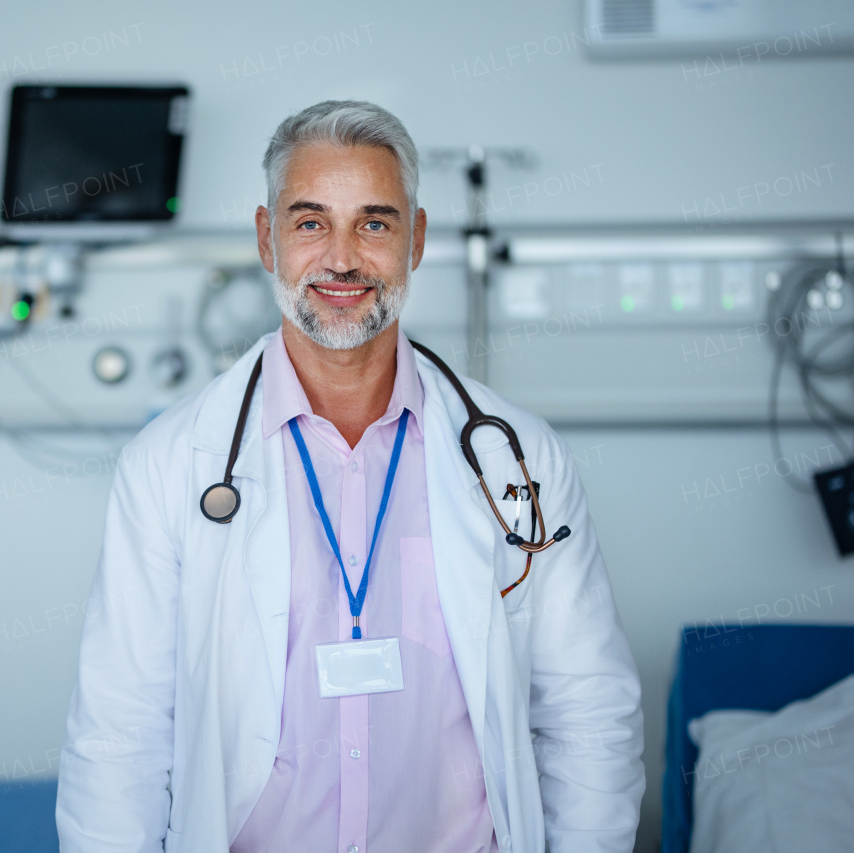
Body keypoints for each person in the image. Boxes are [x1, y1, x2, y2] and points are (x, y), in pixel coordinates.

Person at [55, 100, 644, 853]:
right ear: (268, 239)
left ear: (416, 240)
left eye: (373, 222)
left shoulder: (517, 461)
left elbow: (587, 713)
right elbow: (119, 734)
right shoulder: (170, 467)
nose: (341, 258)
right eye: (309, 222)